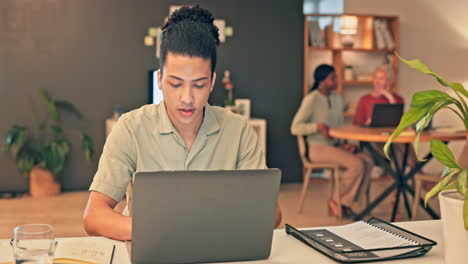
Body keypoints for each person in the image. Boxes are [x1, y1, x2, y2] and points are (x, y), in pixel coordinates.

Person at [83, 6, 282, 241]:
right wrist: (162, 232)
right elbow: (94, 216)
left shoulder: (238, 130)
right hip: (152, 248)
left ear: (212, 81)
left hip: (219, 249)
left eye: (199, 85)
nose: (187, 98)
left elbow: (271, 214)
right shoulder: (130, 128)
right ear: (159, 79)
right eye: (176, 84)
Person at [290, 64, 373, 218]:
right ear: (322, 81)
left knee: (367, 161)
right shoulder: (312, 99)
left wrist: (344, 144)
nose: (337, 80)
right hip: (318, 148)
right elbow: (295, 127)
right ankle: (337, 201)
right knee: (356, 164)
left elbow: (339, 127)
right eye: (332, 78)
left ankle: (346, 203)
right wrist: (317, 126)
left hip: (335, 146)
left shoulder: (337, 99)